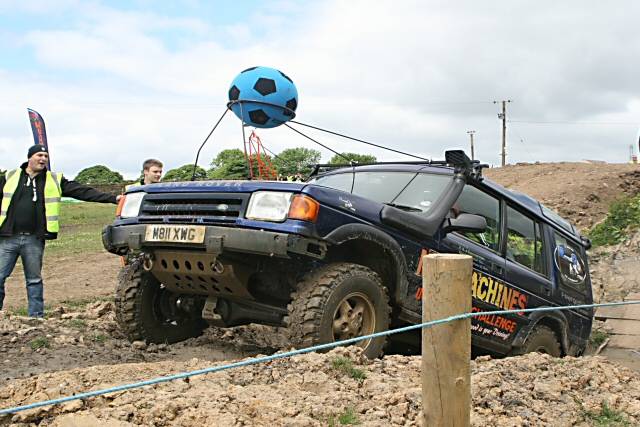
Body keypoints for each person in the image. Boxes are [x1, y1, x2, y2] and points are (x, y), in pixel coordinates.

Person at [0, 145, 122, 317]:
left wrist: (112, 198)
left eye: (45, 156)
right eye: (39, 155)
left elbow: (82, 191)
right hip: (8, 237)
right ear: (29, 158)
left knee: (34, 280)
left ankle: (36, 317)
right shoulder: (10, 177)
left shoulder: (54, 179)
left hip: (34, 239)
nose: (43, 159)